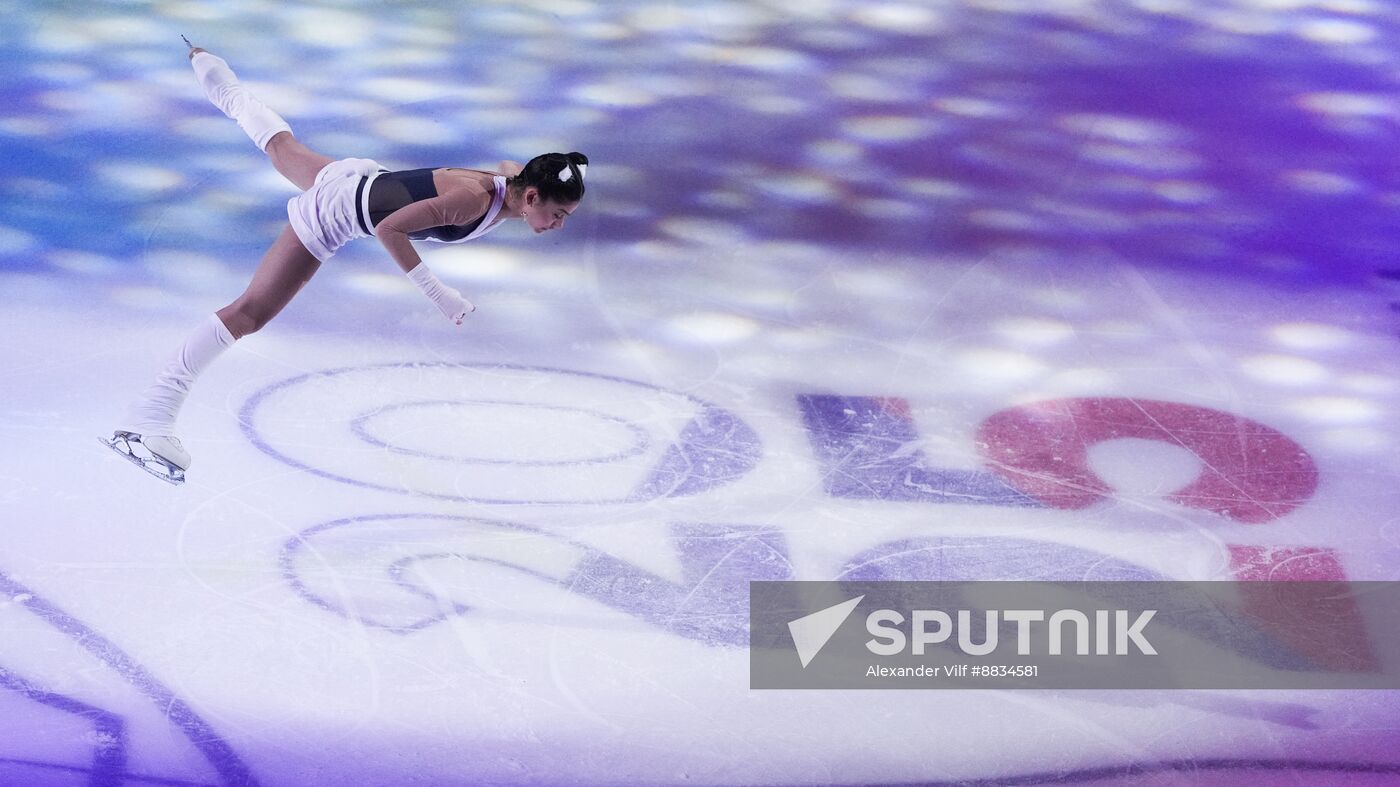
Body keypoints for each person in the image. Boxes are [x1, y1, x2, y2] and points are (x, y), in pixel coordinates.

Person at [102, 40, 589, 484]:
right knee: (250, 312)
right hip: (337, 211)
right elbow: (389, 228)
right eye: (557, 213)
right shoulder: (472, 200)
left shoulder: (512, 180)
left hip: (355, 178)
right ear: (530, 196)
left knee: (280, 145)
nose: (558, 224)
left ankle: (209, 66)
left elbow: (511, 167)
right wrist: (440, 295)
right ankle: (148, 419)